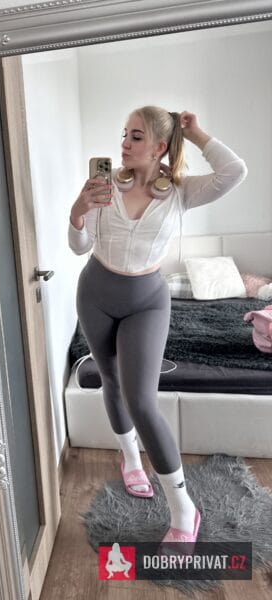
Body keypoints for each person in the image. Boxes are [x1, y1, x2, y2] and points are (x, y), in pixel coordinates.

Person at [68, 106, 247, 546]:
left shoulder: (181, 192)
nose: (124, 144)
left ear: (159, 147)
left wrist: (197, 134)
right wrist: (78, 211)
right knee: (110, 379)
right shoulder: (105, 186)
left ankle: (184, 508)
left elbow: (234, 172)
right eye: (123, 134)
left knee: (142, 400)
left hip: (146, 302)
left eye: (135, 136)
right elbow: (79, 246)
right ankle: (130, 457)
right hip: (95, 293)